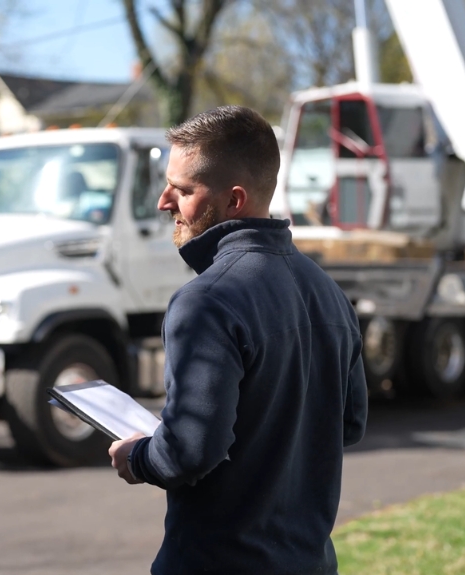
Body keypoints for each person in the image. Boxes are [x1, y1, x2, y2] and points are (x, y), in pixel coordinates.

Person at [109, 106, 368, 575]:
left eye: (183, 190)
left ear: (234, 201)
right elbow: (348, 424)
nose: (164, 201)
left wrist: (139, 456)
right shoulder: (329, 293)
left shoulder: (206, 301)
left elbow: (189, 451)